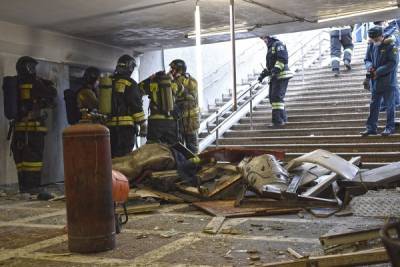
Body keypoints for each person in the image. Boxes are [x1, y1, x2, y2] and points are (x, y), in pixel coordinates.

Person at [2, 56, 57, 193]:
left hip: (18, 129)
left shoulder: (15, 83)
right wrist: (48, 83)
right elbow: (52, 93)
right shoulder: (35, 82)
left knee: (21, 160)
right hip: (33, 128)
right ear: (29, 67)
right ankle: (33, 188)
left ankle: (23, 187)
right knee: (33, 160)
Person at [361, 26, 398, 137]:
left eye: (376, 39)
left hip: (388, 82)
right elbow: (367, 59)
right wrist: (370, 67)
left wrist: (378, 71)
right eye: (373, 39)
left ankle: (390, 127)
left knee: (389, 105)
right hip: (375, 82)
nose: (375, 42)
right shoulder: (371, 45)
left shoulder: (391, 46)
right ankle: (371, 128)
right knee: (374, 106)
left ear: (382, 36)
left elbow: (393, 63)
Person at [106, 55, 145, 158]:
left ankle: (112, 174)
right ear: (130, 67)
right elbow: (135, 105)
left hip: (108, 128)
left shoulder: (108, 82)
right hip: (125, 129)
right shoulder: (130, 83)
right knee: (124, 158)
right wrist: (142, 124)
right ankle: (122, 174)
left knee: (111, 156)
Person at [258, 36, 293, 128]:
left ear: (271, 37)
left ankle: (277, 121)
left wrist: (275, 70)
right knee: (273, 99)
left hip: (281, 75)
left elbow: (282, 59)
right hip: (275, 77)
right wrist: (262, 75)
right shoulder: (270, 48)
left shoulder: (278, 44)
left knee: (276, 98)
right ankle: (282, 118)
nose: (264, 41)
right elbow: (270, 66)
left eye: (265, 38)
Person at [139, 71, 179, 145]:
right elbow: (181, 93)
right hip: (171, 120)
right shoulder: (173, 84)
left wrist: (149, 79)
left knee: (153, 147)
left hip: (155, 121)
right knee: (172, 146)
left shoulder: (151, 84)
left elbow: (138, 89)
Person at [169, 59, 200, 154]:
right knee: (180, 150)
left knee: (192, 149)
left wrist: (177, 80)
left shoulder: (191, 80)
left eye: (173, 69)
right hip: (178, 122)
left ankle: (195, 167)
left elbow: (188, 95)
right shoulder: (172, 81)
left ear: (180, 70)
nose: (171, 71)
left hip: (190, 122)